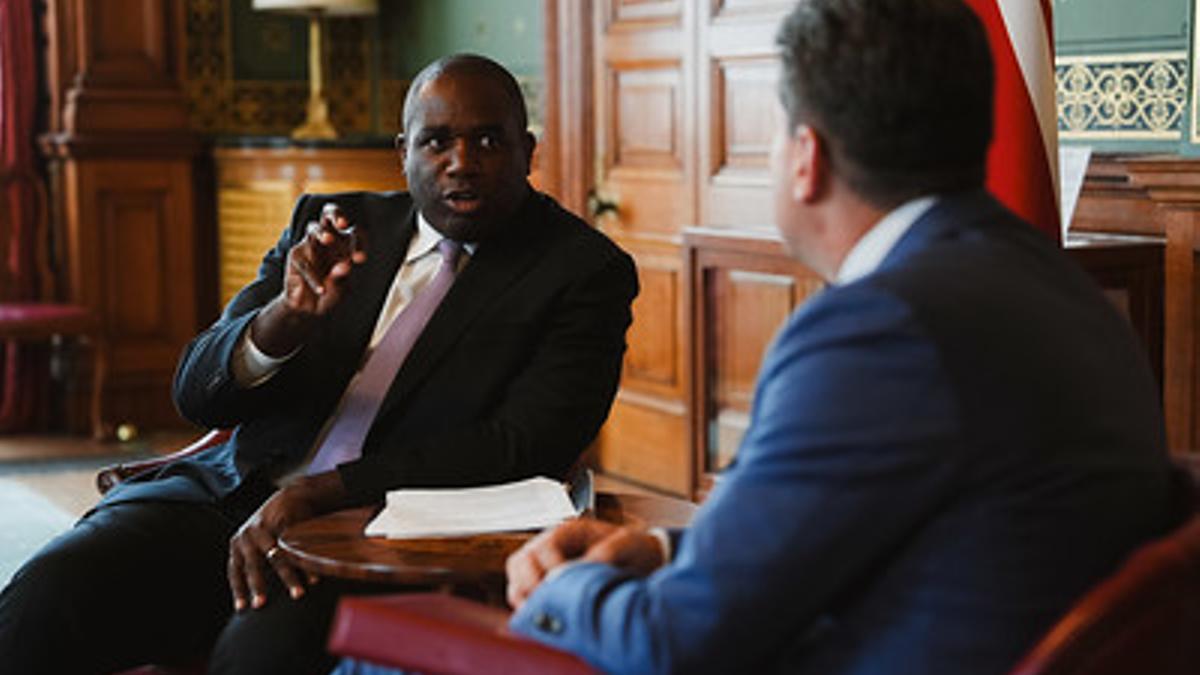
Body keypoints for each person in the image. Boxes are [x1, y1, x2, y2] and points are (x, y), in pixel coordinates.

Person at [495, 1, 1179, 673]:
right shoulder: (1057, 284)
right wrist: (665, 550)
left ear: (804, 156)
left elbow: (673, 642)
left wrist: (563, 590)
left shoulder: (880, 328)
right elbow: (894, 529)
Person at [0, 53, 637, 675]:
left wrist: (320, 495)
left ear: (528, 151)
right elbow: (197, 395)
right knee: (44, 598)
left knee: (255, 653)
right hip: (229, 497)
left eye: (488, 141)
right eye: (437, 141)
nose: (461, 163)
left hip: (380, 531)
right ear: (403, 152)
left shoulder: (582, 272)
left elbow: (522, 444)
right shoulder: (332, 225)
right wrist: (286, 319)